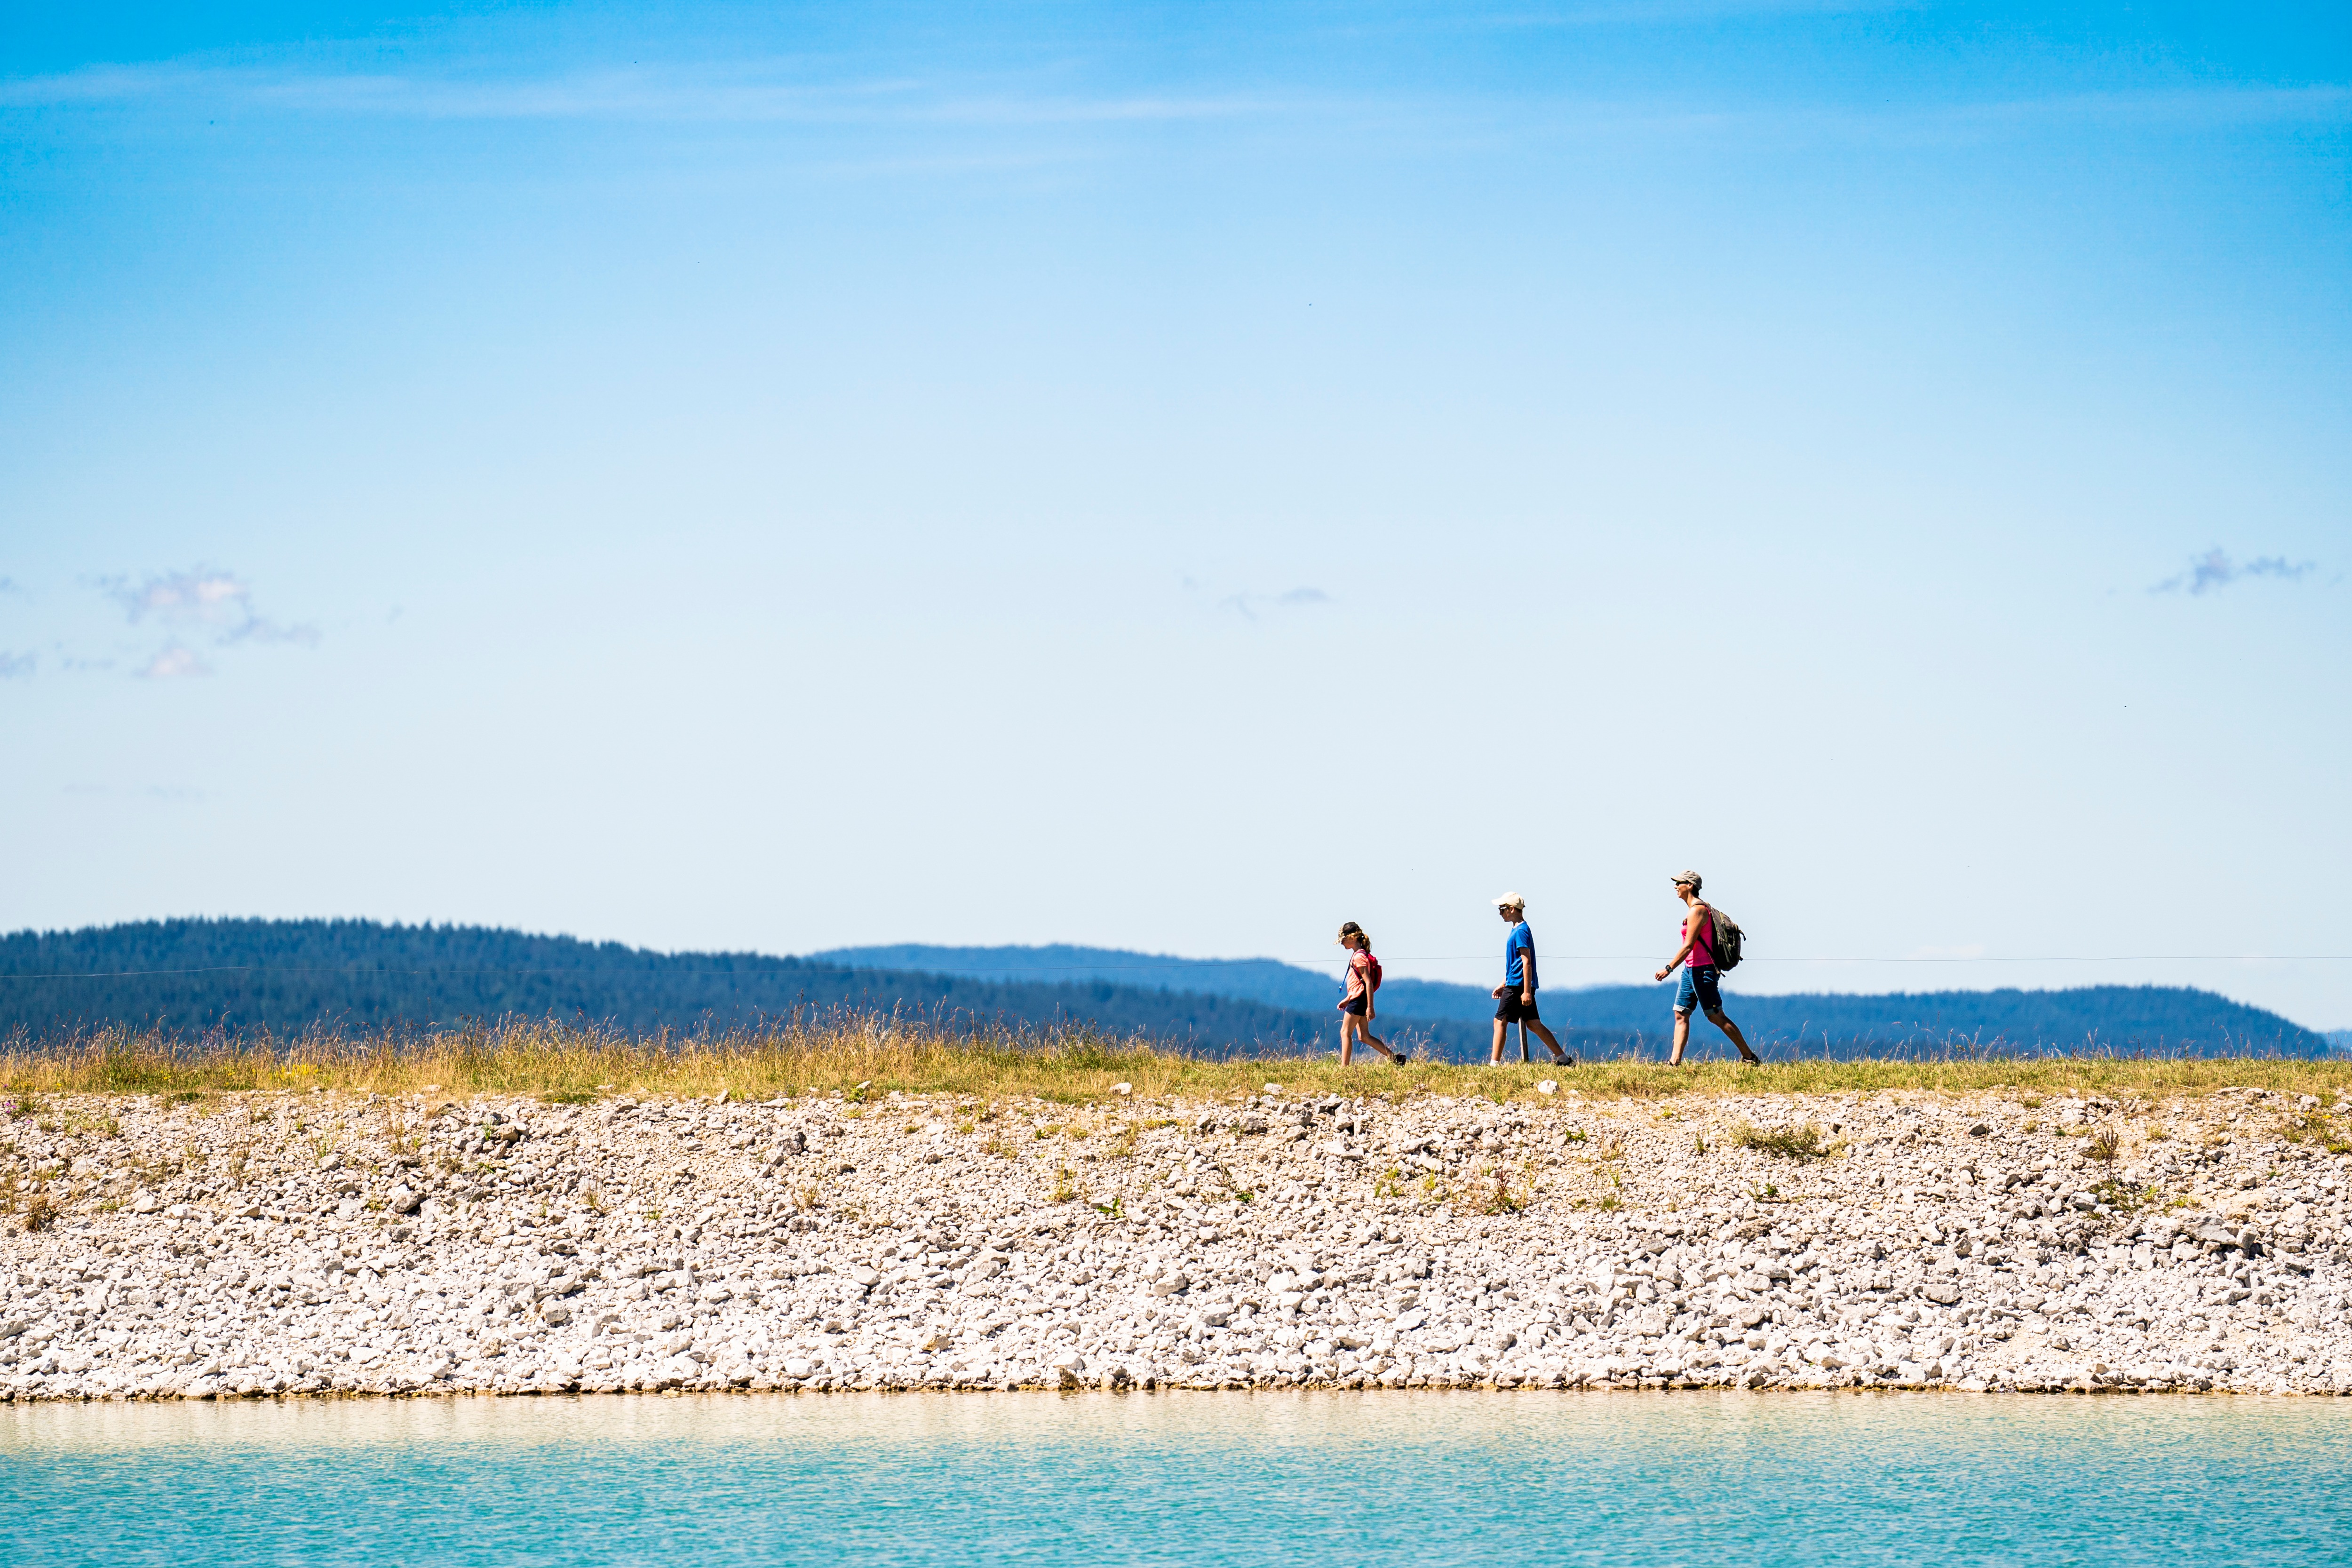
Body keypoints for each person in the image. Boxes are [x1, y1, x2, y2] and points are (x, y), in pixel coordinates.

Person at [1653, 870, 1761, 1066]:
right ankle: (1674, 1063)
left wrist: (1668, 969)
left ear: (1691, 886)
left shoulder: (1698, 911)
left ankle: (1750, 1058)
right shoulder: (1692, 910)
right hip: (1690, 970)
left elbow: (1688, 946)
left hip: (1703, 970)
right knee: (1681, 1014)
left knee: (1716, 1017)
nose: (1676, 886)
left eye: (1680, 883)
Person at [1490, 893, 1572, 1066]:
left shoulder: (1520, 931)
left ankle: (1494, 1065)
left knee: (1500, 1021)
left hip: (1518, 985)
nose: (1500, 913)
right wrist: (1503, 983)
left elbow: (1526, 961)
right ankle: (1564, 1059)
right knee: (1533, 1024)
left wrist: (1527, 991)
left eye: (1502, 909)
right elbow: (1515, 963)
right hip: (1516, 983)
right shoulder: (1519, 930)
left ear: (1512, 909)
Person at [1334, 923, 1406, 1065]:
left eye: (1344, 939)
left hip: (1359, 1000)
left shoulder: (1359, 957)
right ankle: (1396, 1059)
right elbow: (1359, 983)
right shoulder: (1359, 955)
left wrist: (1370, 1007)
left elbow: (1368, 983)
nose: (1342, 943)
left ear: (1353, 938)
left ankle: (1344, 1068)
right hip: (1358, 999)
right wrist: (1348, 999)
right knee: (1364, 1036)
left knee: (1345, 1032)